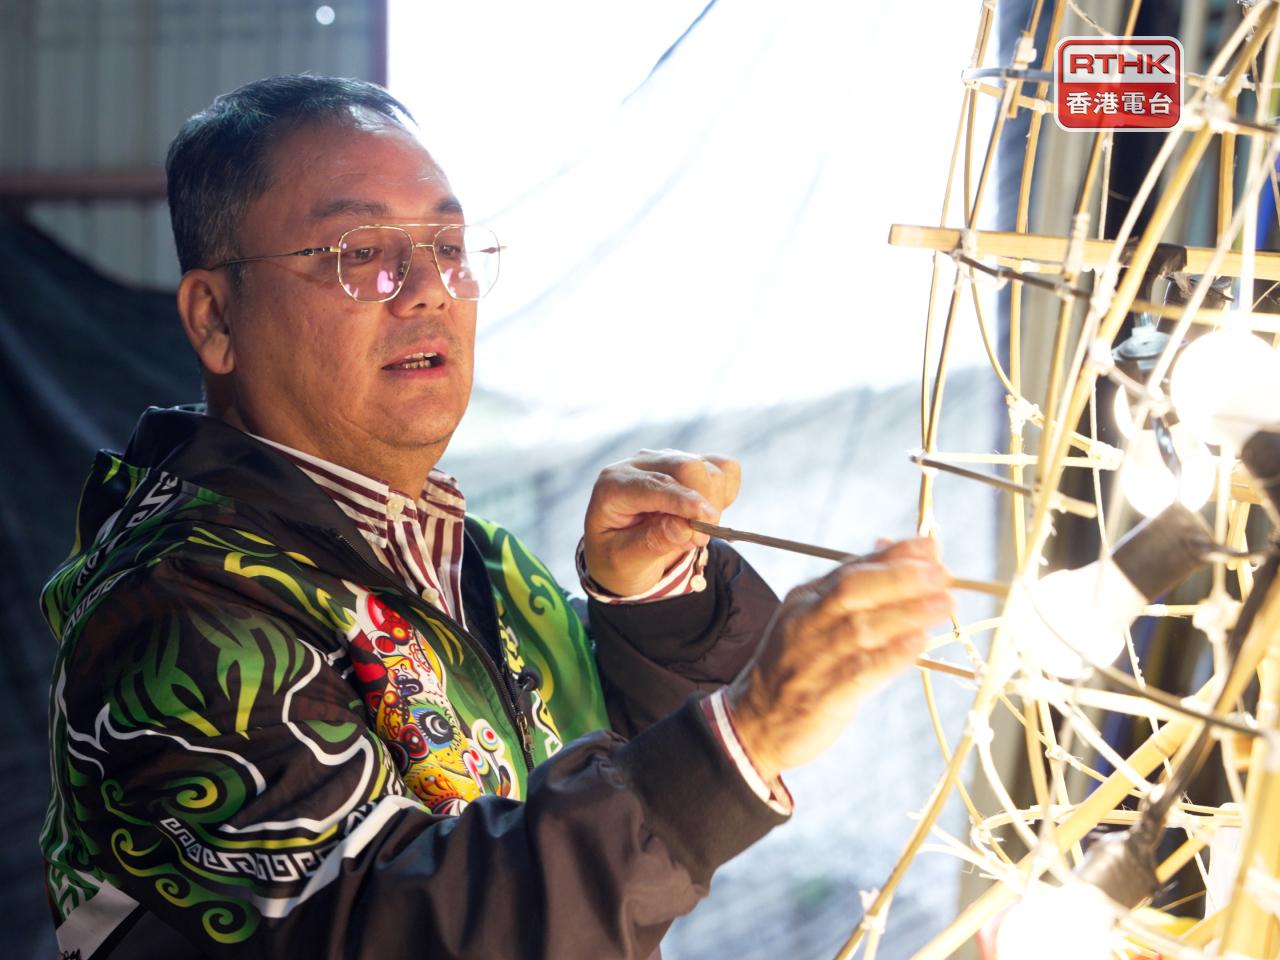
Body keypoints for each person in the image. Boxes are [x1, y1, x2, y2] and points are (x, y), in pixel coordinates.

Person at [40, 75, 953, 959]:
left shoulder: (472, 563)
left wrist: (653, 605)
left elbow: (622, 834)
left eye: (447, 245)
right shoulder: (172, 610)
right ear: (215, 319)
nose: (429, 287)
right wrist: (743, 734)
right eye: (361, 253)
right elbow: (384, 932)